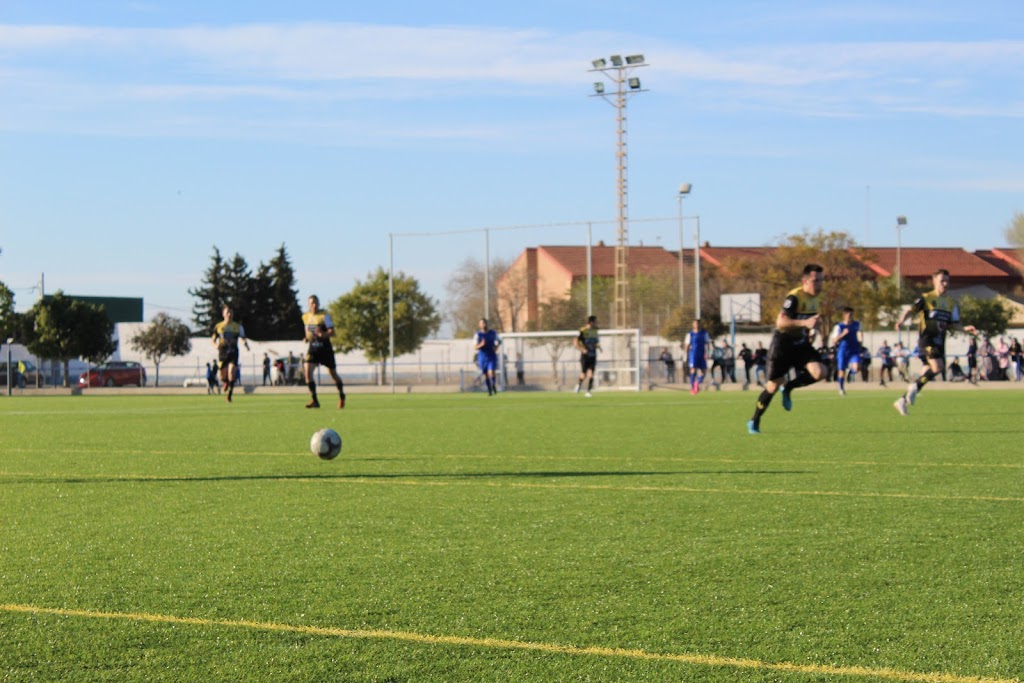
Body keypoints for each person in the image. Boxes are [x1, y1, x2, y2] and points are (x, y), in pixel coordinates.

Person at [748, 264, 826, 434]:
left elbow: (811, 321)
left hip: (800, 343)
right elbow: (781, 323)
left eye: (822, 280)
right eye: (816, 280)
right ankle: (755, 420)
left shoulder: (816, 298)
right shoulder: (794, 297)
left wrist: (812, 330)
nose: (820, 284)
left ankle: (789, 387)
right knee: (772, 387)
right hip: (782, 344)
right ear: (805, 281)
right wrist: (805, 323)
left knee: (821, 372)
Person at [893, 269, 977, 416]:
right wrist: (901, 320)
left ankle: (902, 400)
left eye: (947, 281)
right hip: (927, 340)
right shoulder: (926, 298)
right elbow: (911, 310)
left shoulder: (951, 303)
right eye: (942, 281)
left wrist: (965, 328)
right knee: (938, 367)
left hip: (940, 342)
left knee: (927, 371)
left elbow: (954, 324)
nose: (945, 284)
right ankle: (912, 389)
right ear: (934, 281)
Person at [302, 294, 346, 409]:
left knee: (333, 375)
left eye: (316, 303)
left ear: (319, 304)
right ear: (308, 304)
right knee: (307, 372)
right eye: (312, 303)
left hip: (325, 349)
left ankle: (341, 395)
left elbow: (332, 332)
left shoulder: (324, 316)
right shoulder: (305, 317)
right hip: (313, 349)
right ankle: (315, 400)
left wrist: (324, 334)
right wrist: (306, 338)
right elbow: (309, 331)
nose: (314, 305)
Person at [211, 305, 250, 403]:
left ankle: (229, 395)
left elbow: (243, 337)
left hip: (233, 352)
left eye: (231, 312)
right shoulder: (218, 326)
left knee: (232, 372)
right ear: (223, 314)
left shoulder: (237, 327)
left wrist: (245, 344)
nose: (229, 314)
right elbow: (213, 340)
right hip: (223, 353)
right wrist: (216, 346)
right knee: (222, 376)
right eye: (227, 312)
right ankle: (226, 382)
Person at [830, 307, 862, 396]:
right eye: (848, 315)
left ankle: (850, 372)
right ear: (844, 315)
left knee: (857, 367)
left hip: (854, 349)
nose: (850, 316)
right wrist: (843, 334)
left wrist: (860, 341)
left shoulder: (857, 324)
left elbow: (859, 333)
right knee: (841, 371)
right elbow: (834, 340)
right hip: (843, 350)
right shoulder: (839, 326)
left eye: (852, 315)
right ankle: (841, 388)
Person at [574, 315, 600, 397]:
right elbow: (575, 342)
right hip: (585, 356)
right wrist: (582, 349)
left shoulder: (595, 331)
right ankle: (579, 384)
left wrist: (597, 345)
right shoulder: (583, 330)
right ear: (591, 322)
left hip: (593, 355)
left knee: (591, 374)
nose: (597, 323)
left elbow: (595, 343)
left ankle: (588, 391)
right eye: (596, 321)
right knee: (583, 374)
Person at [474, 318, 501, 396]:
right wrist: (481, 345)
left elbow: (499, 341)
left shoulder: (493, 333)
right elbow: (475, 347)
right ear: (480, 325)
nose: (484, 325)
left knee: (491, 372)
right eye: (482, 323)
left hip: (491, 355)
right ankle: (490, 390)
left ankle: (493, 385)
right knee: (485, 374)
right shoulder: (478, 335)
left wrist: (496, 347)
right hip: (482, 357)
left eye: (485, 323)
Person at [684, 319, 711, 395]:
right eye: (695, 324)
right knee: (693, 370)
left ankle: (697, 383)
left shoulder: (704, 333)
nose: (697, 325)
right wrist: (685, 356)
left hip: (702, 354)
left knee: (703, 371)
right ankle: (693, 388)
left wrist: (708, 353)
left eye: (698, 323)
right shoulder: (690, 334)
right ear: (693, 325)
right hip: (693, 354)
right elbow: (687, 345)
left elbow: (708, 343)